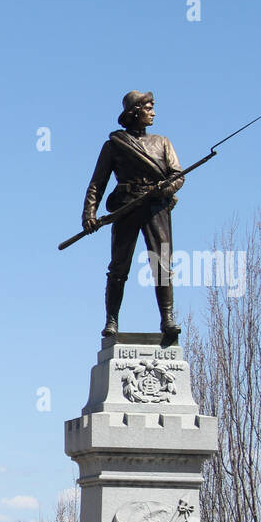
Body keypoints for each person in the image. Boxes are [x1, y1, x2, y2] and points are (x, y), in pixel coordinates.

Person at [81, 91, 184, 344]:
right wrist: (89, 213)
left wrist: (165, 189)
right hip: (126, 206)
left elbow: (177, 175)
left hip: (155, 207)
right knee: (119, 267)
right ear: (135, 111)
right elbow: (97, 182)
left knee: (161, 266)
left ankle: (167, 319)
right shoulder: (115, 145)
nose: (153, 113)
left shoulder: (163, 142)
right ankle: (111, 321)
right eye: (149, 108)